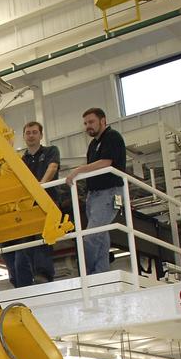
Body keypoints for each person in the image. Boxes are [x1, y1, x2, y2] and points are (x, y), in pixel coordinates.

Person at [64, 107, 126, 275]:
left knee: (92, 236)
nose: (88, 126)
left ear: (103, 120)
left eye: (91, 122)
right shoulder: (93, 144)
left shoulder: (112, 137)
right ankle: (100, 274)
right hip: (94, 195)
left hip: (109, 192)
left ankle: (85, 273)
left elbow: (106, 162)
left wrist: (78, 170)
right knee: (101, 237)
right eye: (85, 123)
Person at [13, 121, 59, 288]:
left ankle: (44, 276)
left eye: (34, 132)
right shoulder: (20, 160)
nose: (31, 135)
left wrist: (40, 187)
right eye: (28, 133)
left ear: (41, 135)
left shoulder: (50, 151)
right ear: (24, 136)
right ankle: (23, 284)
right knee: (24, 246)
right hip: (27, 207)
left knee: (43, 240)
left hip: (46, 203)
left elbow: (52, 168)